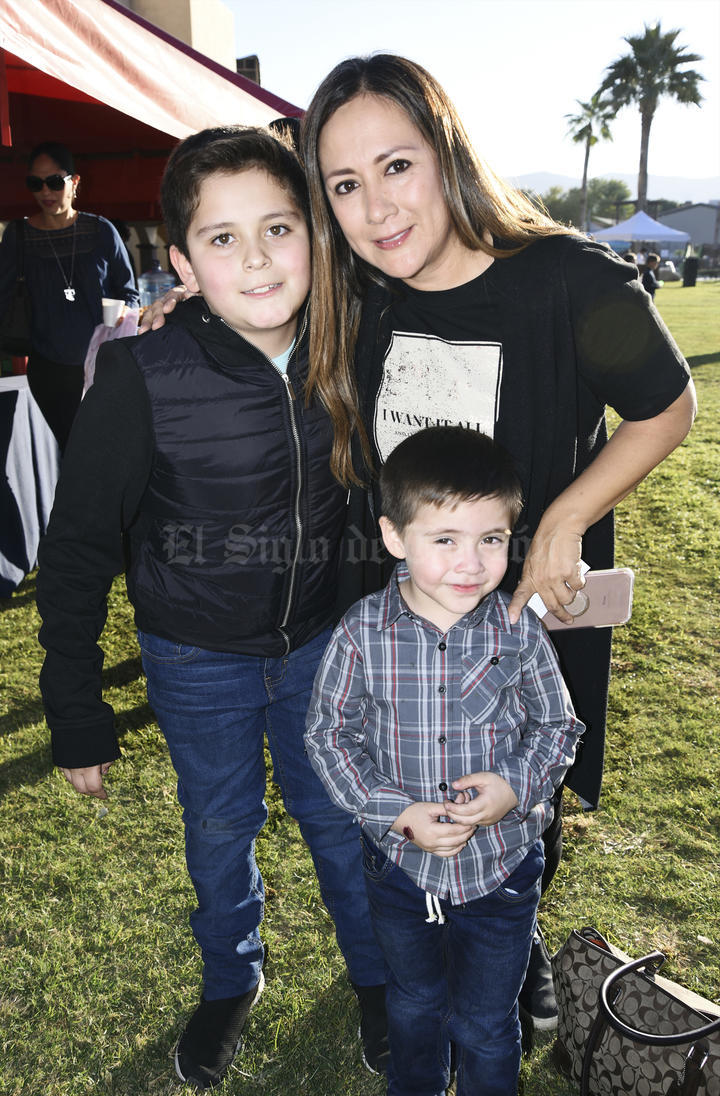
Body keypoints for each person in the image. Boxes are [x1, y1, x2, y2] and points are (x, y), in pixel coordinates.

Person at [140, 52, 696, 1031]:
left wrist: (565, 518)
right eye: (344, 185)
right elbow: (258, 298)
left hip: (517, 611)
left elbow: (667, 405)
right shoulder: (356, 295)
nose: (376, 206)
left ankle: (511, 946)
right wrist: (194, 301)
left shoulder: (566, 279)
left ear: (446, 151)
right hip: (390, 614)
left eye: (395, 166)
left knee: (516, 802)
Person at [36, 126, 386, 1091]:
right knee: (219, 825)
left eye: (279, 227)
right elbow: (74, 554)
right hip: (195, 659)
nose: (259, 257)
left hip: (322, 647)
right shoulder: (144, 377)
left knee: (339, 821)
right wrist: (76, 710)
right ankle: (231, 979)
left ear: (316, 234)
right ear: (181, 264)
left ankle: (377, 980)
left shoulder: (353, 350)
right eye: (222, 239)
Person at [305, 426, 583, 1096]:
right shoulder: (361, 634)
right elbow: (327, 737)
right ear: (395, 537)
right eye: (445, 540)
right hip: (400, 872)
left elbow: (558, 726)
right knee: (413, 1004)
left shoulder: (517, 630)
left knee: (487, 1024)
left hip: (503, 872)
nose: (471, 562)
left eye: (491, 539)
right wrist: (396, 811)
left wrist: (515, 787)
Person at [0, 141, 138, 451]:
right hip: (49, 368)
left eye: (53, 182)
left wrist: (118, 316)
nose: (45, 192)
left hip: (102, 364)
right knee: (74, 451)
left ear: (74, 182)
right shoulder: (18, 236)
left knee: (109, 451)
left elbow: (129, 291)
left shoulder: (101, 230)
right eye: (35, 183)